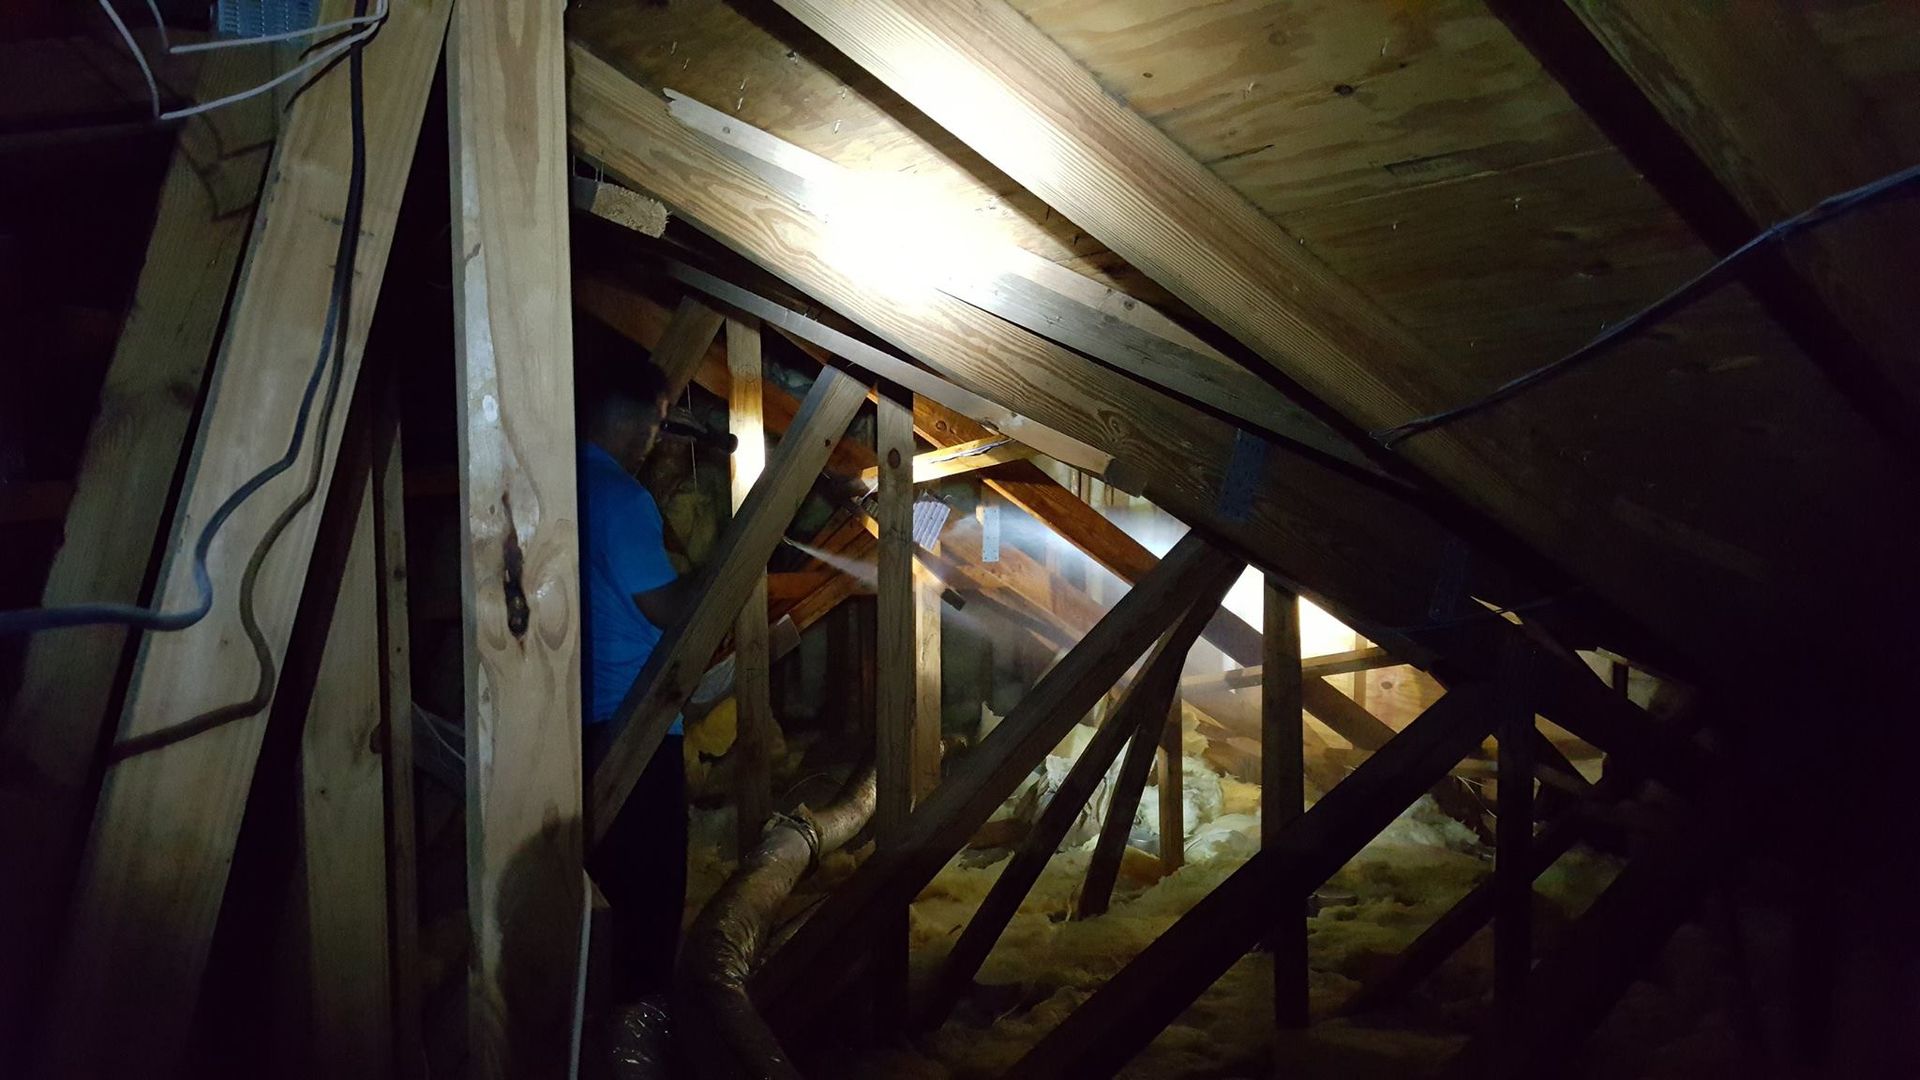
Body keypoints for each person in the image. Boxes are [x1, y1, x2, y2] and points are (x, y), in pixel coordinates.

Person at [578, 358, 697, 1000]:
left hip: (580, 722)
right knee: (651, 915)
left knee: (607, 900)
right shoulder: (623, 498)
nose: (656, 439)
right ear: (630, 420)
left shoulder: (558, 479)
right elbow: (665, 607)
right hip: (639, 726)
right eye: (656, 424)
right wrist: (715, 578)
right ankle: (639, 1050)